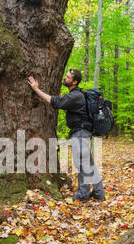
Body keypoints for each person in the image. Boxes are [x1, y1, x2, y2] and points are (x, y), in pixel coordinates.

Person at [28, 69, 105, 201]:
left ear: (74, 82)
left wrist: (36, 89)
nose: (65, 78)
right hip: (82, 132)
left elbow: (55, 103)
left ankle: (83, 195)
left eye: (68, 77)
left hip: (80, 133)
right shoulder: (76, 95)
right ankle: (99, 193)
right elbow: (69, 108)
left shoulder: (76, 95)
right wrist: (63, 100)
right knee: (88, 163)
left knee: (82, 164)